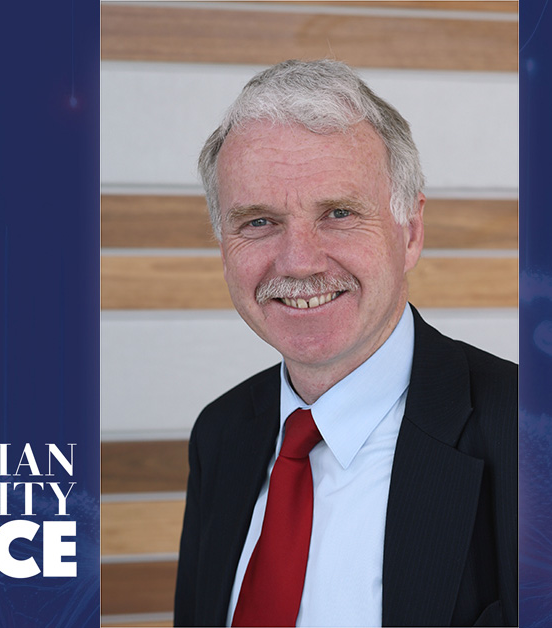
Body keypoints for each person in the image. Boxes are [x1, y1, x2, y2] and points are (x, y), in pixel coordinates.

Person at [173, 59, 517, 627]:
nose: (299, 260)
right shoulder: (220, 434)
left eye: (338, 213)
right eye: (258, 221)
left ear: (410, 232)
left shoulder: (538, 433)